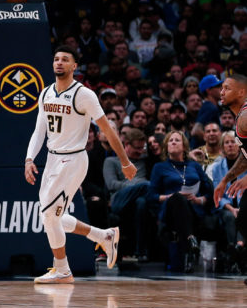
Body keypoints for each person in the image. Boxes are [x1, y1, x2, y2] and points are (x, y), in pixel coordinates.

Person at [24, 46, 136, 283]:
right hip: (53, 160)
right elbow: (39, 131)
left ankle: (62, 269)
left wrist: (125, 162)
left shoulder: (84, 95)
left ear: (74, 66)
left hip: (74, 159)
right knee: (52, 216)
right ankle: (103, 236)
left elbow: (107, 129)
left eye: (65, 59)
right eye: (56, 59)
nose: (59, 63)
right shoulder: (45, 93)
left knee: (49, 216)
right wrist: (29, 159)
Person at [149, 131, 215, 272]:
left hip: (194, 208)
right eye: (170, 140)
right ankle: (190, 239)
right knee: (177, 199)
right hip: (170, 212)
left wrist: (199, 200)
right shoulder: (159, 168)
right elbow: (151, 196)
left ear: (184, 147)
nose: (173, 142)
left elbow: (209, 191)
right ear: (166, 147)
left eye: (177, 140)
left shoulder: (194, 166)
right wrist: (170, 196)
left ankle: (190, 242)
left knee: (184, 203)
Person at [102, 128, 153, 262]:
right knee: (146, 186)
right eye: (136, 148)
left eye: (142, 148)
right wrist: (136, 185)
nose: (139, 151)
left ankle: (140, 252)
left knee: (141, 202)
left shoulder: (144, 162)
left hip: (137, 201)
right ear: (126, 145)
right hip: (119, 200)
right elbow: (112, 184)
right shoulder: (111, 161)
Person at [208, 131, 246, 270]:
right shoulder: (217, 167)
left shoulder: (245, 161)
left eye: (233, 142)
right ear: (222, 147)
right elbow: (219, 193)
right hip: (226, 207)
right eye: (227, 142)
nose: (230, 145)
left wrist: (241, 208)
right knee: (230, 217)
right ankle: (234, 249)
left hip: (244, 204)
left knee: (244, 215)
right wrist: (232, 208)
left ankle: (239, 246)